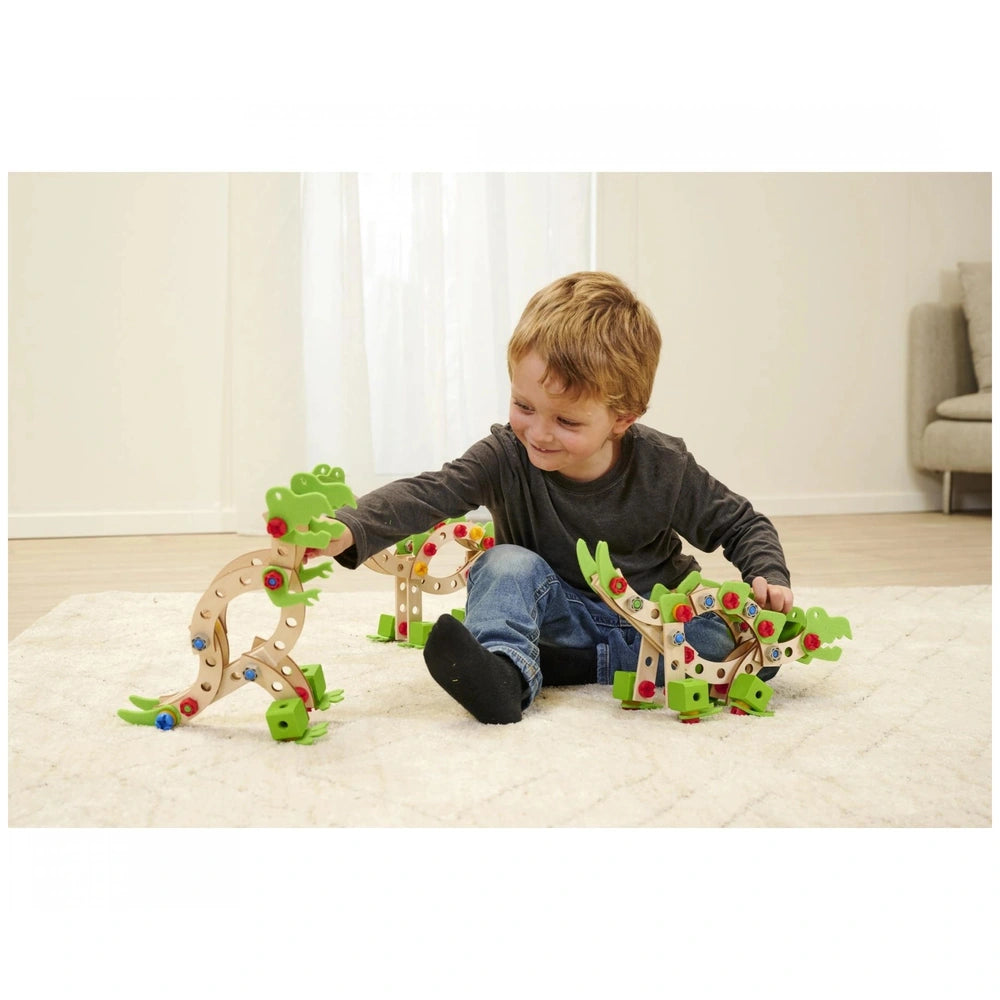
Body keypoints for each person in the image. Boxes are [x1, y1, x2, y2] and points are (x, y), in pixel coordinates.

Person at [323, 272, 794, 724]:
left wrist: (768, 575)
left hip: (656, 621)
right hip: (556, 615)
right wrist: (349, 527)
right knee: (503, 563)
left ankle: (567, 665)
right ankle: (507, 676)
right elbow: (431, 492)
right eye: (523, 406)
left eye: (566, 421)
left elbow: (742, 524)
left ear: (622, 418)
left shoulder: (664, 466)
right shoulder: (504, 456)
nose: (538, 433)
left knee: (738, 644)